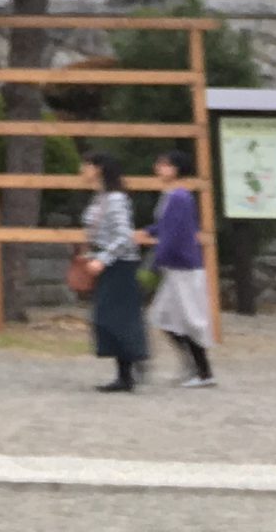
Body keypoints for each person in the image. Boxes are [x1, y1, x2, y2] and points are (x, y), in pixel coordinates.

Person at [141, 148, 217, 387]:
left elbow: (173, 233)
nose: (159, 168)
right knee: (164, 317)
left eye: (165, 164)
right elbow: (165, 226)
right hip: (175, 267)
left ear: (176, 169)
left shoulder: (179, 197)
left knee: (189, 319)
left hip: (184, 268)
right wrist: (148, 231)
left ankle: (203, 372)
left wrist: (155, 262)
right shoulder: (172, 195)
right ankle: (191, 366)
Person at [75, 151, 148, 393]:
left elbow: (124, 236)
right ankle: (128, 367)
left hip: (119, 264)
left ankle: (131, 366)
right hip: (105, 262)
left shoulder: (115, 199)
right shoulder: (101, 197)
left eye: (86, 165)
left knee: (115, 318)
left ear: (98, 168)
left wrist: (104, 259)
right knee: (108, 318)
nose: (81, 170)